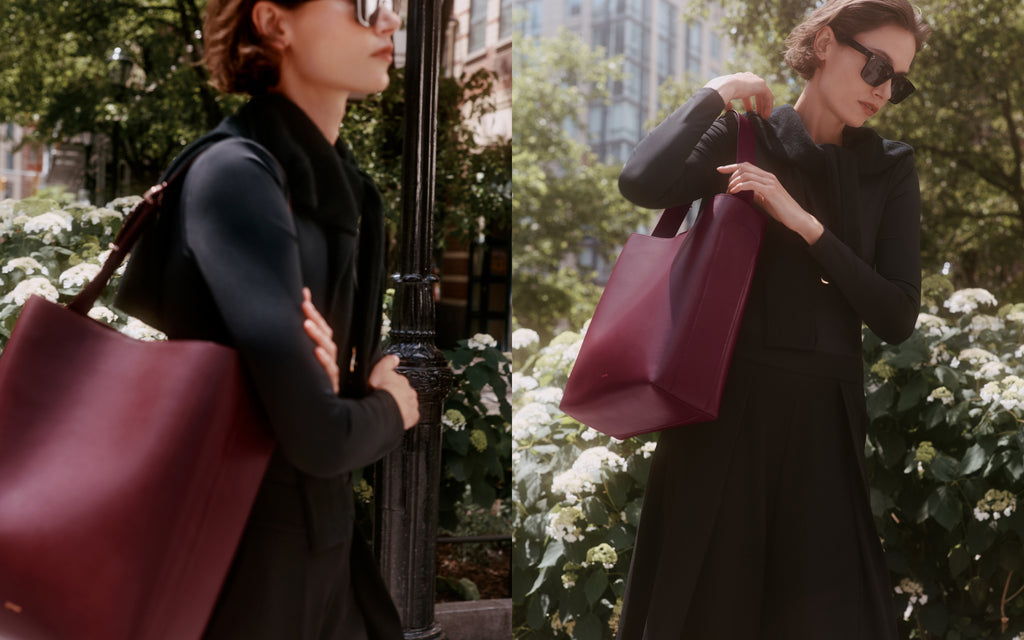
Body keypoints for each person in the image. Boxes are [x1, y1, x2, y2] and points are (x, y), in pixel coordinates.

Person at [614, 0, 930, 637]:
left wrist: (804, 223)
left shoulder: (890, 168)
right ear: (822, 44)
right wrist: (719, 91)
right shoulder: (745, 136)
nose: (885, 89)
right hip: (722, 418)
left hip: (825, 428)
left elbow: (897, 314)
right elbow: (643, 181)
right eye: (876, 66)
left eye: (899, 79)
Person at [114, 0, 419, 638]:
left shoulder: (344, 188)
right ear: (275, 23)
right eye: (363, 6)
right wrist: (395, 403)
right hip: (242, 572)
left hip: (320, 555)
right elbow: (321, 435)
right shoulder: (237, 175)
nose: (388, 22)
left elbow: (329, 409)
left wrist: (343, 391)